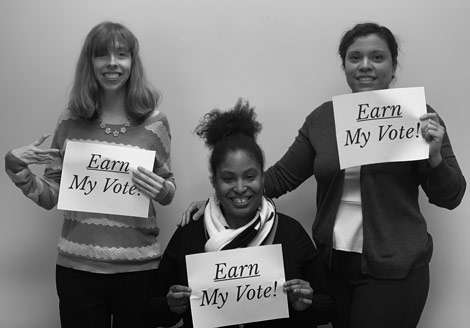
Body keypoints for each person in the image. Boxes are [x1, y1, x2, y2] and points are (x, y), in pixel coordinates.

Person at [181, 22, 466, 328]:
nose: (365, 65)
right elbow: (279, 178)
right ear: (344, 65)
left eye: (377, 57)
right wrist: (217, 200)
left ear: (393, 66)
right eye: (355, 57)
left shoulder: (419, 116)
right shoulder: (323, 120)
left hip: (395, 268)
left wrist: (434, 155)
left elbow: (451, 196)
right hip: (335, 266)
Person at [4, 21, 175, 328]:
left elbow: (168, 188)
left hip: (139, 270)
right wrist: (17, 170)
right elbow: (52, 196)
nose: (112, 63)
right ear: (90, 62)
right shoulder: (70, 119)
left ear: (133, 62)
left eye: (121, 54)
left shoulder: (155, 123)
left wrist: (163, 191)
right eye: (102, 55)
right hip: (77, 269)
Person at [148, 99, 334, 327]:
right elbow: (153, 310)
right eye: (228, 179)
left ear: (263, 178)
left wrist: (306, 302)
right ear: (214, 183)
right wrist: (171, 306)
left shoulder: (290, 232)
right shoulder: (190, 234)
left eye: (249, 177)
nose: (239, 188)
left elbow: (327, 307)